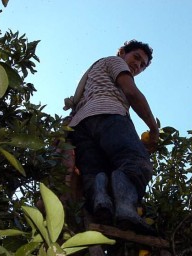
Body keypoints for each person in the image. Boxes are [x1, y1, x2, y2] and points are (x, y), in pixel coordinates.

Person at [64, 40, 159, 234]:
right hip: (108, 115)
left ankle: (101, 202)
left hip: (80, 127)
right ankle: (125, 208)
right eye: (136, 58)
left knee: (95, 170)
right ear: (122, 52)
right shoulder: (115, 63)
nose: (137, 65)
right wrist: (153, 128)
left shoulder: (93, 73)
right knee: (137, 163)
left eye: (142, 65)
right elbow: (131, 92)